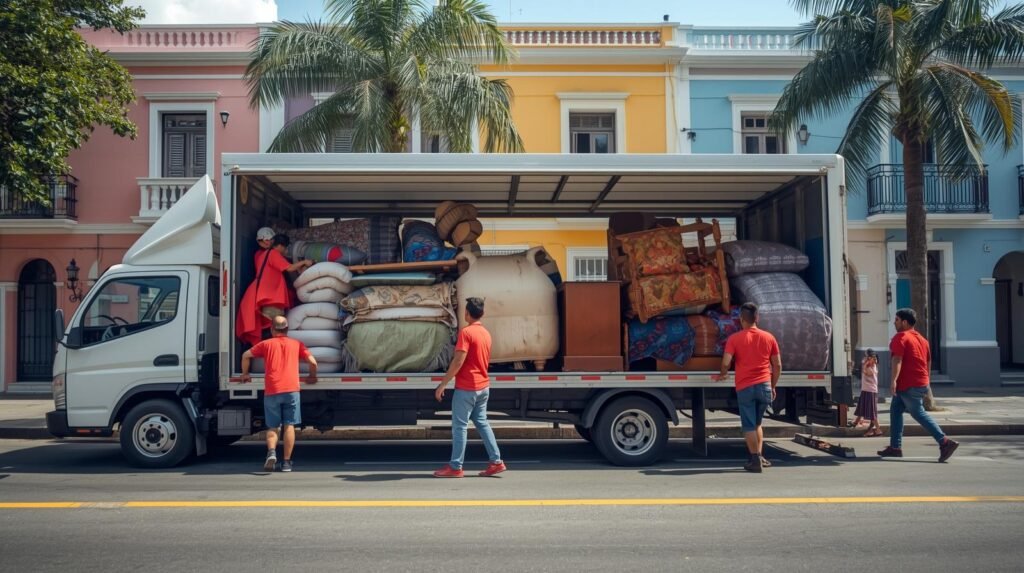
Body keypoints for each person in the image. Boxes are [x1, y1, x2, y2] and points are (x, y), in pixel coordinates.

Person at [432, 297, 506, 478]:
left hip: (467, 388)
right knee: (482, 423)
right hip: (483, 387)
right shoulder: (486, 334)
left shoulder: (466, 333)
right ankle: (496, 462)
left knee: (460, 427)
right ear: (482, 313)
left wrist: (443, 384)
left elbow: (458, 361)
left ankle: (455, 467)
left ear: (466, 313)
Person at [878, 308, 959, 462]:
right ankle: (895, 447)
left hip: (909, 384)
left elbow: (897, 359)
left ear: (904, 322)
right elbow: (928, 361)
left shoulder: (901, 337)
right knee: (895, 410)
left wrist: (893, 380)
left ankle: (945, 442)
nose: (894, 323)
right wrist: (926, 380)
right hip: (918, 382)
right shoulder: (922, 340)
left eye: (896, 320)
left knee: (918, 413)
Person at [240, 315, 317, 472]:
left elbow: (245, 355)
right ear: (287, 329)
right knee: (289, 426)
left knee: (273, 426)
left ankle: (271, 452)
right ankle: (287, 462)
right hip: (291, 390)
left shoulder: (266, 344)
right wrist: (312, 376)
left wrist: (245, 374)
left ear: (271, 329)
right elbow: (313, 362)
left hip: (272, 390)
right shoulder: (297, 344)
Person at [716, 302, 782, 473]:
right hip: (765, 386)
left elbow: (726, 362)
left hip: (745, 387)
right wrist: (773, 385)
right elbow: (777, 365)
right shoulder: (769, 337)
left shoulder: (735, 339)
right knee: (758, 423)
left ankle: (754, 460)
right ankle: (759, 456)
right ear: (757, 318)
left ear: (741, 319)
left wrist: (723, 373)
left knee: (749, 425)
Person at [236, 232, 313, 346]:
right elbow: (289, 268)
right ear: (280, 246)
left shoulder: (263, 255)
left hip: (265, 298)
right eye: (285, 248)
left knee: (270, 329)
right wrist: (305, 262)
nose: (285, 251)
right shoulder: (273, 254)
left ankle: (267, 350)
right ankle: (272, 351)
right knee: (276, 330)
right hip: (271, 299)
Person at [853, 349, 882, 436]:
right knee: (862, 407)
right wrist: (865, 362)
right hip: (866, 389)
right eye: (865, 357)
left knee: (871, 412)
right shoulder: (869, 363)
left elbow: (867, 372)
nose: (865, 358)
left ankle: (878, 429)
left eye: (867, 357)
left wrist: (865, 364)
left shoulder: (871, 367)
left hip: (870, 390)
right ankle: (856, 422)